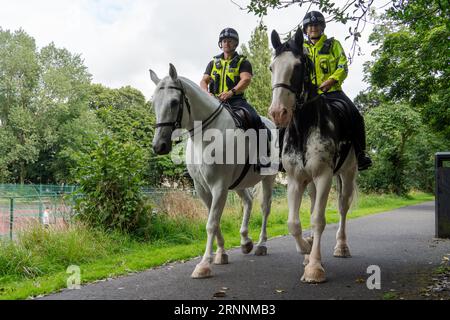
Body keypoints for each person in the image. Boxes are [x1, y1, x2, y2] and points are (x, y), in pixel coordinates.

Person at [302, 11, 372, 171]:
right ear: (305, 29)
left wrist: (331, 80)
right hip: (308, 96)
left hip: (333, 92)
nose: (313, 28)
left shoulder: (334, 45)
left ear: (322, 27)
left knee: (356, 115)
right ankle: (280, 156)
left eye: (316, 25)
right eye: (310, 26)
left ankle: (361, 154)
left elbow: (343, 66)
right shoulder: (301, 48)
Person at [200, 28, 270, 168]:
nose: (226, 43)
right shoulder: (213, 62)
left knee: (255, 119)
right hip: (214, 101)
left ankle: (263, 157)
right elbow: (204, 81)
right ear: (221, 43)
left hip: (236, 101)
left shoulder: (243, 62)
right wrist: (206, 93)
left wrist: (231, 92)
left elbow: (246, 80)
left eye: (230, 41)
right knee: (196, 120)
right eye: (224, 41)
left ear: (235, 43)